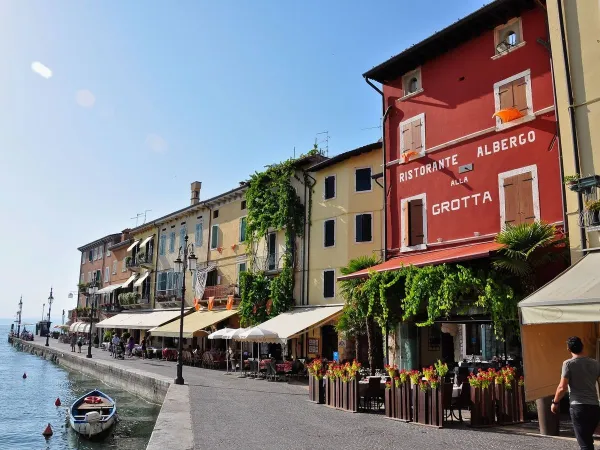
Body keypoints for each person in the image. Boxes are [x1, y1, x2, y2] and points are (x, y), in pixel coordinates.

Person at [551, 336, 600, 450]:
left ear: (569, 349)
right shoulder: (595, 364)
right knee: (588, 441)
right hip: (594, 406)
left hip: (578, 407)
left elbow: (562, 387)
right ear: (583, 346)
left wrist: (555, 402)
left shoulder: (568, 364)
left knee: (585, 444)